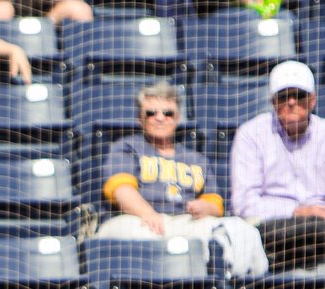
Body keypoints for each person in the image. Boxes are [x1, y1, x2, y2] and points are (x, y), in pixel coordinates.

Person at [99, 80, 268, 276]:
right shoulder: (127, 147)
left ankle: (234, 287)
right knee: (136, 234)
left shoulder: (196, 158)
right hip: (139, 220)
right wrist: (148, 214)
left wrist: (205, 208)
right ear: (140, 119)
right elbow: (121, 190)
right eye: (151, 113)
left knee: (241, 230)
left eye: (167, 113)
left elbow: (215, 204)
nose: (160, 118)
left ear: (177, 118)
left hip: (187, 222)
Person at [231, 60, 325, 273]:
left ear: (312, 100)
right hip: (275, 228)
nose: (292, 102)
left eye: (299, 95)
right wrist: (298, 212)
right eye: (284, 96)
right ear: (273, 101)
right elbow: (244, 203)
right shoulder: (251, 134)